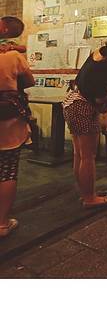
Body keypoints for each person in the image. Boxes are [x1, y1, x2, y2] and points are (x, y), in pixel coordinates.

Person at [62, 28, 107, 208]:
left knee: (79, 154)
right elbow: (100, 102)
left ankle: (85, 191)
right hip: (82, 107)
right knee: (88, 156)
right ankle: (89, 198)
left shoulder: (99, 53)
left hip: (71, 101)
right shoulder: (106, 66)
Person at [0, 17, 34, 237]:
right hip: (8, 120)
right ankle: (2, 223)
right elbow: (29, 81)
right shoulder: (13, 56)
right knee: (7, 170)